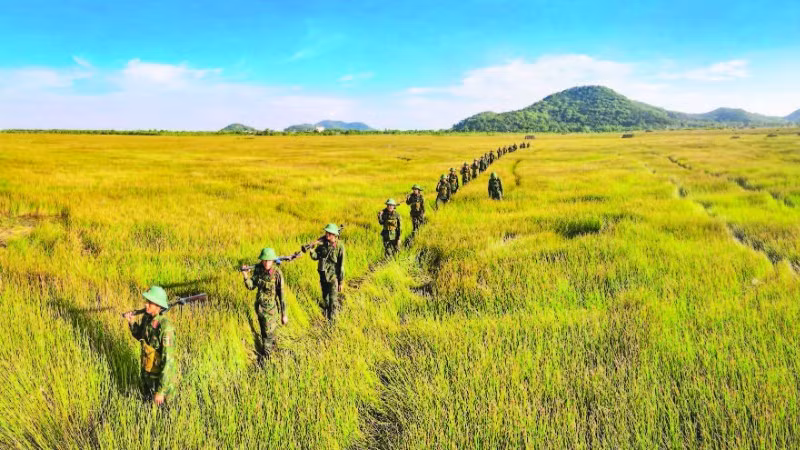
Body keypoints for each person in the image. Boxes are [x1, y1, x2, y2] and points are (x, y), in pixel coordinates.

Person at [124, 286, 176, 405]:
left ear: (158, 306)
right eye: (146, 301)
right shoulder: (147, 319)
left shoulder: (165, 327)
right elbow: (141, 337)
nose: (146, 305)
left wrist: (161, 391)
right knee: (146, 406)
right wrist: (132, 322)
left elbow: (168, 361)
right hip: (146, 375)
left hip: (159, 380)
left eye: (150, 303)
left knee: (162, 413)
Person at [242, 248, 287, 357]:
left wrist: (284, 314)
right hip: (260, 308)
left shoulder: (277, 274)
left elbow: (282, 296)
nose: (266, 263)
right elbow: (251, 286)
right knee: (264, 332)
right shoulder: (258, 270)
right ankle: (271, 346)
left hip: (271, 310)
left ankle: (267, 359)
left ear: (273, 261)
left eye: (269, 261)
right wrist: (245, 276)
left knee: (267, 335)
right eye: (264, 260)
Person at [308, 224, 345, 321]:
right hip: (323, 276)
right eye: (326, 232)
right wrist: (311, 250)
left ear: (334, 234)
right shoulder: (322, 244)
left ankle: (333, 322)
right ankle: (327, 314)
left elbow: (341, 266)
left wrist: (341, 282)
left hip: (333, 277)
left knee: (333, 300)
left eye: (329, 233)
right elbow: (316, 257)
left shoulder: (340, 246)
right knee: (325, 298)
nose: (327, 234)